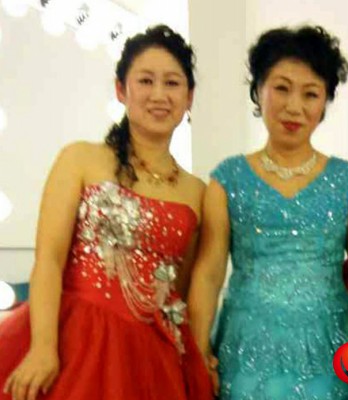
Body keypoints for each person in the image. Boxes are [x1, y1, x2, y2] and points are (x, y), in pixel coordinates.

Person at [0, 25, 212, 400]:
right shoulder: (81, 159)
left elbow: (181, 289)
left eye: (172, 83)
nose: (159, 95)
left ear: (189, 96)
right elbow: (49, 260)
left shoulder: (197, 192)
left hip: (155, 355)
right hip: (78, 341)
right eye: (145, 80)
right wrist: (43, 346)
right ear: (121, 89)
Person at [188, 25, 348, 399]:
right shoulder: (227, 179)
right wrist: (198, 353)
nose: (294, 106)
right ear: (258, 90)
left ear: (324, 103)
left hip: (327, 348)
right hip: (246, 348)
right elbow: (209, 274)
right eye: (281, 88)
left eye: (311, 94)